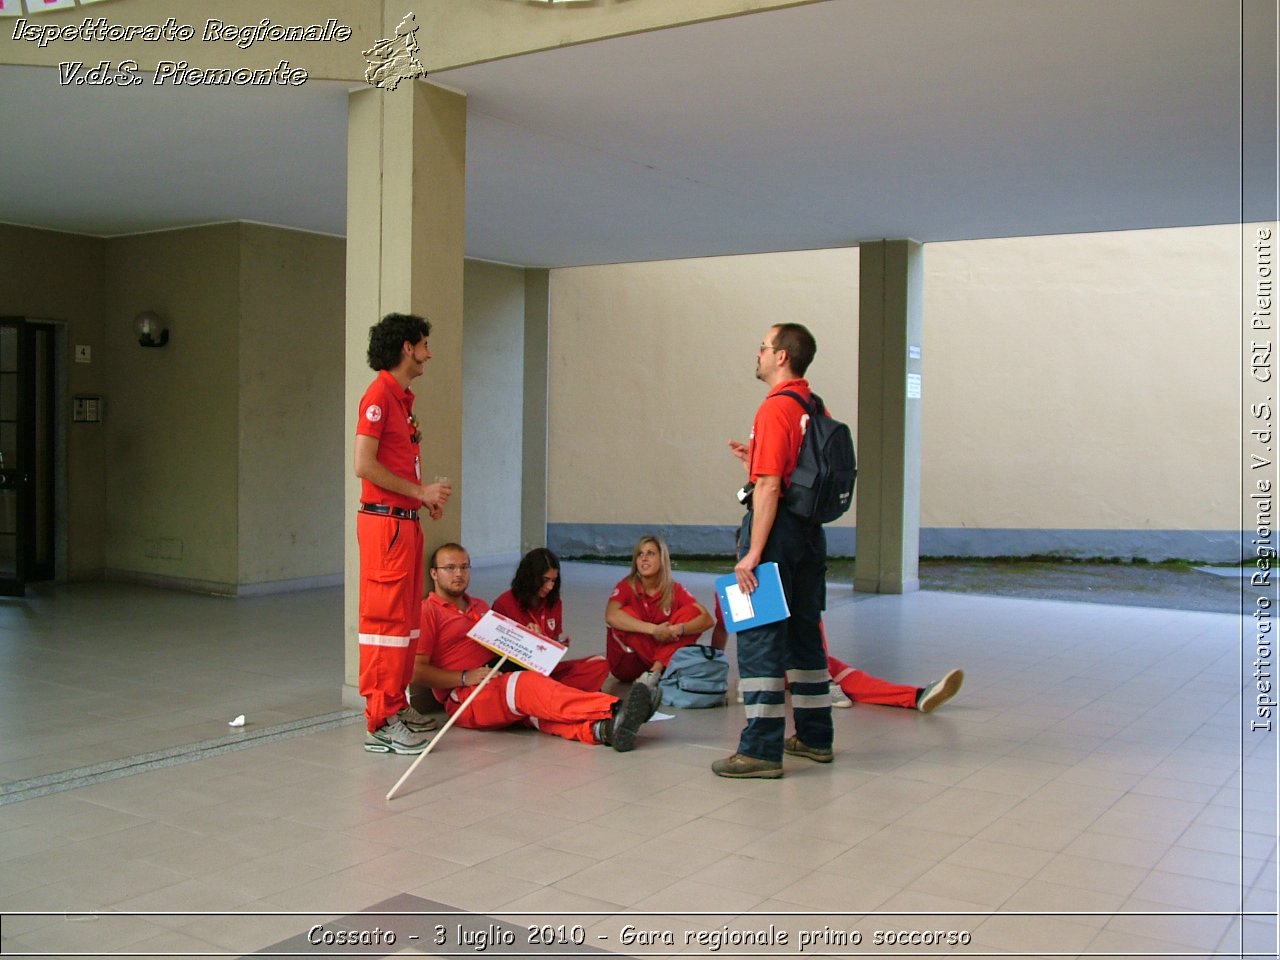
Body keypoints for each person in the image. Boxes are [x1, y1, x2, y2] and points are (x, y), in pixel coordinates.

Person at [714, 323, 831, 779]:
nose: (758, 353)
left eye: (763, 346)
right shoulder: (812, 405)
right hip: (809, 536)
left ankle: (760, 749)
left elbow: (768, 488)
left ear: (781, 356)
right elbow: (792, 472)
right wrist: (756, 460)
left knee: (760, 638)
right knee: (805, 638)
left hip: (774, 535)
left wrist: (752, 555)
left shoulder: (775, 409)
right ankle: (815, 737)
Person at [414, 543, 659, 751]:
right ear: (434, 574)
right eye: (450, 568)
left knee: (592, 667)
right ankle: (614, 709)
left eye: (464, 567)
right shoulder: (429, 611)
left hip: (503, 674)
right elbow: (416, 671)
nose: (459, 574)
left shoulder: (478, 605)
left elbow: (504, 644)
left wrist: (531, 641)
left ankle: (603, 730)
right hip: (468, 695)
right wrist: (465, 677)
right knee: (526, 685)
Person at [355, 312, 453, 755]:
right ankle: (379, 722)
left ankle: (395, 705)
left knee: (405, 624)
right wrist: (418, 491)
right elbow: (364, 464)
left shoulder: (401, 399)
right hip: (385, 527)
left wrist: (421, 500)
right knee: (384, 624)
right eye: (424, 344)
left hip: (402, 523)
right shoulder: (378, 396)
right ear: (406, 348)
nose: (429, 353)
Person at [711, 602, 964, 712]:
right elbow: (723, 629)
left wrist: (716, 667)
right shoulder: (744, 589)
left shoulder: (762, 585)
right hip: (783, 669)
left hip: (782, 669)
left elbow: (722, 629)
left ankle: (917, 697)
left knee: (854, 679)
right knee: (855, 680)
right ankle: (915, 696)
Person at [492, 547, 611, 692]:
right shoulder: (504, 603)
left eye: (554, 581)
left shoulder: (554, 602)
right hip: (521, 676)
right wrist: (527, 640)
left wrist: (556, 645)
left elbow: (550, 653)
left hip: (547, 673)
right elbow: (496, 659)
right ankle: (566, 695)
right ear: (530, 577)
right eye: (545, 580)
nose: (550, 587)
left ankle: (559, 695)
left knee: (599, 663)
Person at [605, 535, 714, 683]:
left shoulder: (674, 588)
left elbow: (706, 619)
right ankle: (663, 668)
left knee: (692, 613)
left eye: (650, 553)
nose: (644, 558)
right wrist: (654, 630)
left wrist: (678, 629)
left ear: (662, 559)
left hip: (658, 662)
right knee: (625, 614)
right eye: (640, 554)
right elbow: (611, 616)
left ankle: (655, 671)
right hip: (630, 665)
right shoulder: (626, 586)